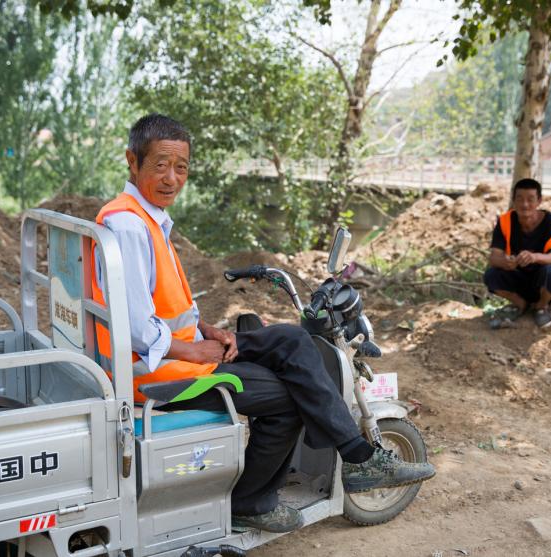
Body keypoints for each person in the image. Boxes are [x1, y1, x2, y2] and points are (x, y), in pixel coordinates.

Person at [91, 114, 435, 533]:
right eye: (160, 164)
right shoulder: (128, 224)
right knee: (289, 398)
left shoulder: (146, 217)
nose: (172, 178)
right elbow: (138, 327)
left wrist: (209, 332)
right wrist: (194, 349)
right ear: (133, 161)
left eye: (181, 167)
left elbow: (161, 305)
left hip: (180, 349)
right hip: (157, 370)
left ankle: (358, 456)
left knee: (290, 340)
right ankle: (251, 501)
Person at [483, 178, 551, 329]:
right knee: (491, 275)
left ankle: (541, 307)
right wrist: (506, 262)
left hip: (544, 283)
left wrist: (534, 257)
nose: (525, 205)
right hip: (518, 279)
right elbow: (494, 257)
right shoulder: (505, 221)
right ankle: (520, 304)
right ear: (513, 200)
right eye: (520, 199)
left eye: (530, 199)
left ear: (539, 201)